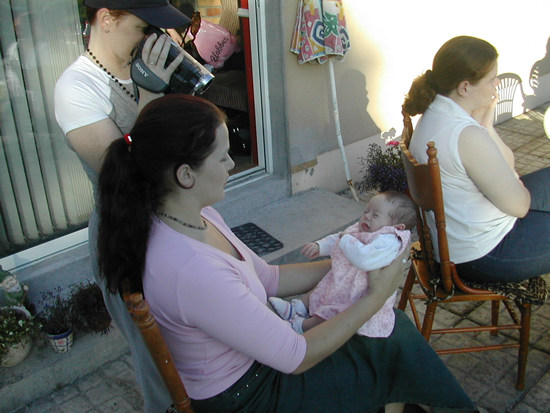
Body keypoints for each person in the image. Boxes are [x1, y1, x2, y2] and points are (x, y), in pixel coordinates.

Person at [97, 93, 478, 413]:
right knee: (389, 337)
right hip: (249, 396)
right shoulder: (191, 269)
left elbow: (269, 278)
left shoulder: (196, 216)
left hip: (261, 362)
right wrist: (376, 294)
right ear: (185, 175)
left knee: (391, 334)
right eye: (223, 156)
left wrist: (350, 265)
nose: (231, 165)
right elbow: (297, 357)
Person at [54, 1, 191, 411]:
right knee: (161, 363)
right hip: (128, 238)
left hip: (177, 224)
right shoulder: (77, 87)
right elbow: (123, 174)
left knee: (195, 344)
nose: (152, 39)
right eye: (144, 28)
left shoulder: (142, 68)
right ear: (106, 19)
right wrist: (151, 97)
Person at [403, 35, 550, 284]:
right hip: (485, 254)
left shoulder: (438, 114)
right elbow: (520, 206)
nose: (497, 84)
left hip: (466, 242)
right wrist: (515, 183)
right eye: (492, 79)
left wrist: (486, 126)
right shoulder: (465, 135)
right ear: (465, 87)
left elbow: (509, 165)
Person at [269, 191, 415, 337]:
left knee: (332, 315)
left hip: (359, 293)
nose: (367, 216)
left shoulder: (390, 240)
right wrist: (320, 246)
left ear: (398, 227)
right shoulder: (366, 227)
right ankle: (296, 308)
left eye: (375, 215)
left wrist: (345, 240)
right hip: (347, 281)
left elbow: (365, 259)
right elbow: (340, 237)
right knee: (321, 288)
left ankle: (300, 327)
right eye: (366, 211)